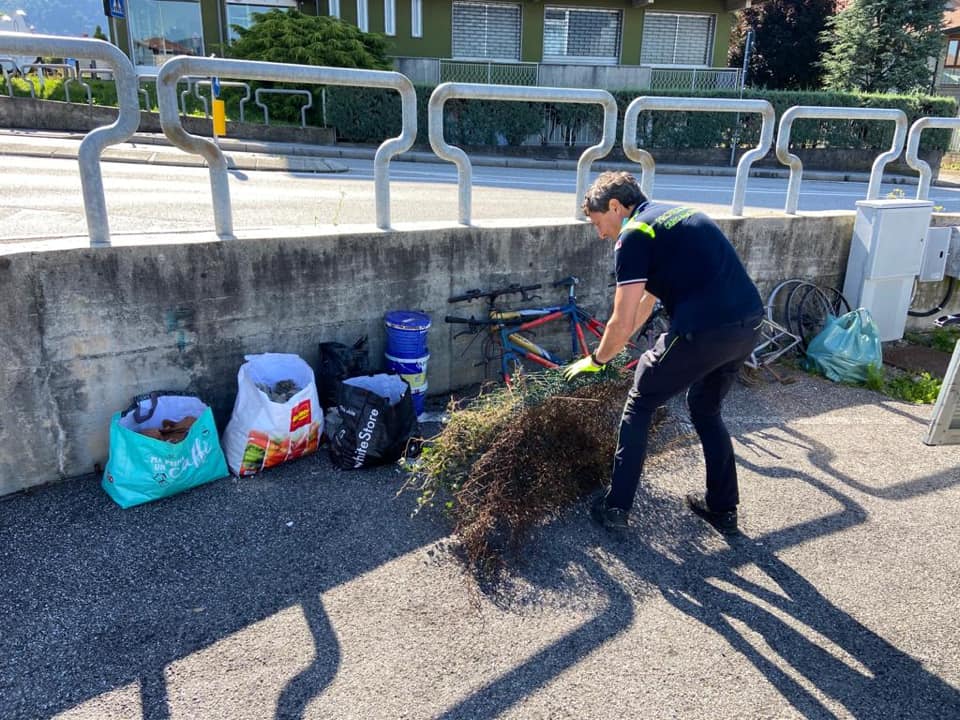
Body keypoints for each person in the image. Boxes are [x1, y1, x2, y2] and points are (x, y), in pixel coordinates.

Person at [563, 171, 763, 535]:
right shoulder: (675, 215)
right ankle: (723, 508)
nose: (600, 233)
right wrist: (623, 342)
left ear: (615, 206)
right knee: (705, 408)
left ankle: (616, 507)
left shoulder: (634, 234)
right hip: (747, 326)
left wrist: (598, 360)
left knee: (640, 402)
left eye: (597, 223)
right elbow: (647, 299)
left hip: (702, 330)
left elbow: (621, 318)